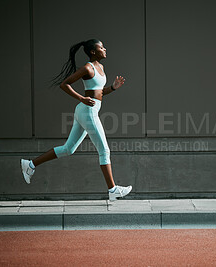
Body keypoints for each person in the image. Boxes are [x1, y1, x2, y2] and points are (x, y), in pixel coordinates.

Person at [20, 38, 132, 201]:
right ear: (93, 51)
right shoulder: (88, 67)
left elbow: (98, 93)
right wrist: (81, 98)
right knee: (104, 150)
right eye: (101, 47)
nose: (105, 49)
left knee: (68, 149)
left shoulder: (100, 67)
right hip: (87, 111)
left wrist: (113, 88)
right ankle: (113, 190)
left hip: (86, 110)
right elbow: (65, 84)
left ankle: (30, 165)